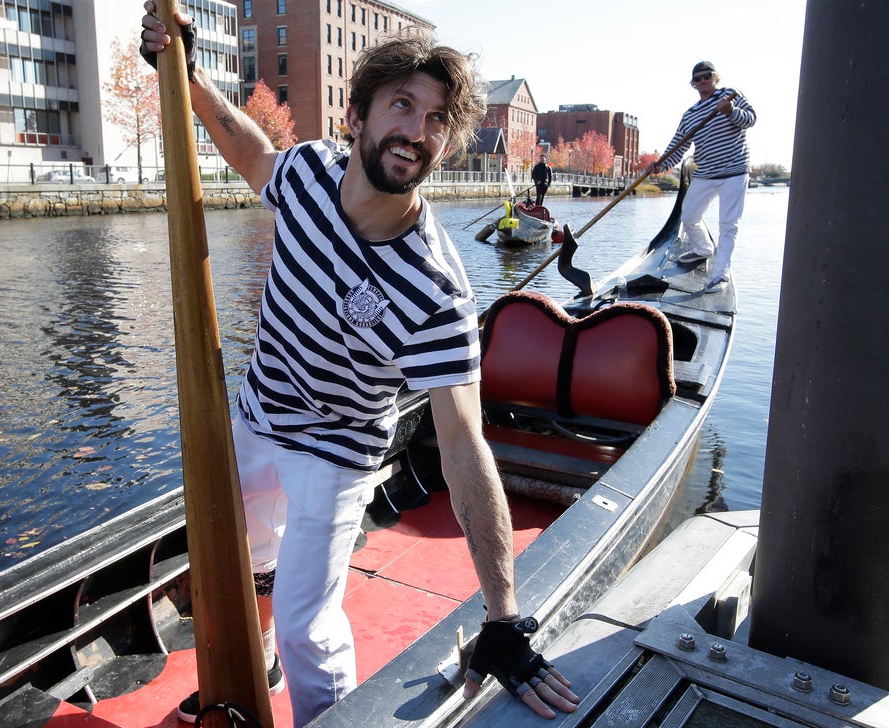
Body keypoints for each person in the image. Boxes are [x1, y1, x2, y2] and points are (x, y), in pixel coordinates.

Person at [139, 4, 579, 726]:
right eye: (402, 106)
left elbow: (464, 446)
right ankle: (261, 659)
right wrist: (188, 81)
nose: (417, 131)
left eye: (437, 119)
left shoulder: (436, 290)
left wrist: (504, 616)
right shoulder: (309, 173)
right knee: (239, 560)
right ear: (358, 117)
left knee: (310, 624)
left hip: (338, 450)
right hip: (258, 414)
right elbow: (251, 152)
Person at [652, 61, 756, 289]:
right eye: (697, 78)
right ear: (693, 83)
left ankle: (721, 275)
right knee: (688, 216)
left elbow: (751, 119)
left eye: (706, 76)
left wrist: (731, 111)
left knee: (728, 225)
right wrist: (661, 165)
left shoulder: (730, 96)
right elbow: (678, 146)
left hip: (734, 171)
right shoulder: (690, 115)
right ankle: (703, 249)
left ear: (715, 77)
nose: (702, 81)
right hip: (706, 173)